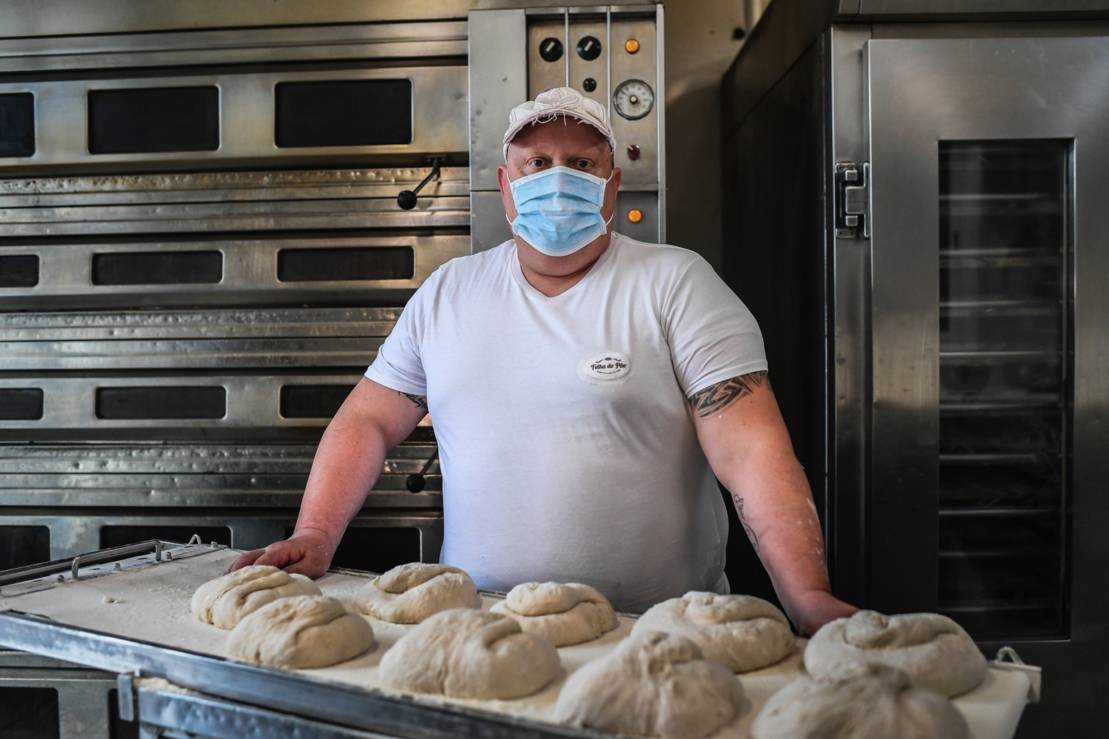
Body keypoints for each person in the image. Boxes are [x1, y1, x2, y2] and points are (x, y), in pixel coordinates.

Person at [233, 87, 855, 635]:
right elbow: (366, 420)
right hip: (479, 629)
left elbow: (752, 452)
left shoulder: (675, 283)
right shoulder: (450, 292)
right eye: (537, 164)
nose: (558, 180)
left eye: (580, 163)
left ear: (613, 184)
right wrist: (315, 535)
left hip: (657, 632)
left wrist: (806, 596)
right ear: (506, 185)